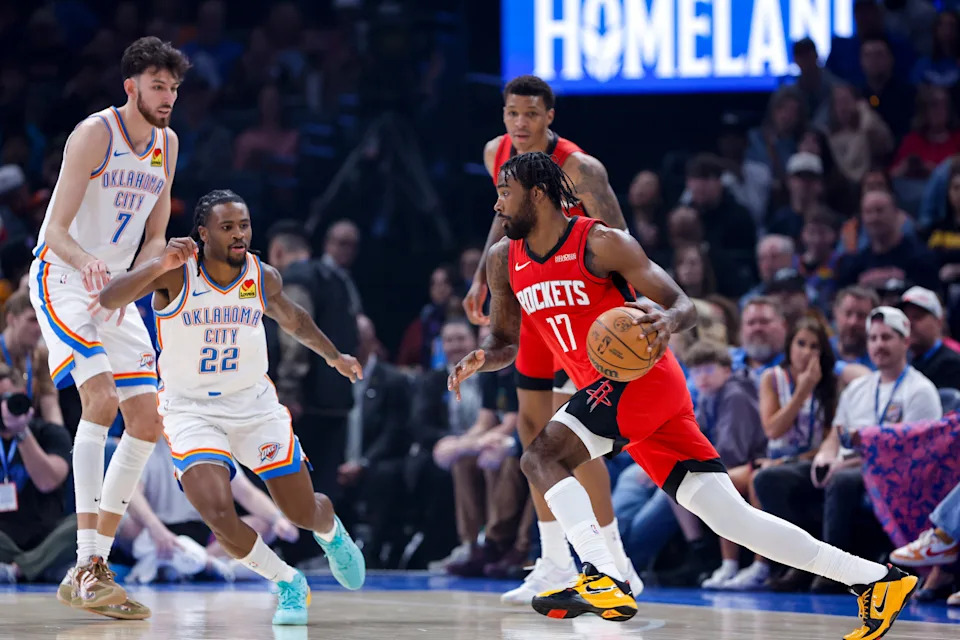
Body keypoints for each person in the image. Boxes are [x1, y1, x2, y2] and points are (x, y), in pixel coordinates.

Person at [448, 152, 916, 639]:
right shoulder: (504, 257)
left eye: (506, 192)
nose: (497, 204)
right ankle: (877, 580)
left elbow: (681, 303)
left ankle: (602, 574)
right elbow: (504, 340)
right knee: (732, 519)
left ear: (537, 195)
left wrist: (666, 321)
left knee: (540, 455)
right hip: (612, 395)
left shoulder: (601, 242)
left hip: (644, 380)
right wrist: (483, 358)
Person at [98, 189, 366, 625]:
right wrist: (157, 263)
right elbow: (110, 298)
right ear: (203, 234)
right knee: (218, 513)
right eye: (228, 227)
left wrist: (334, 356)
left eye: (243, 225)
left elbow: (294, 319)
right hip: (190, 410)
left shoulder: (262, 276)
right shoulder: (177, 276)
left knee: (300, 512)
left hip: (254, 406)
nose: (239, 234)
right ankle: (287, 582)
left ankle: (331, 532)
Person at [27, 36, 189, 619]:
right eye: (157, 86)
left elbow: (152, 234)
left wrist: (149, 272)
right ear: (131, 87)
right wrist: (89, 264)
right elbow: (53, 232)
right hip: (64, 279)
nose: (167, 97)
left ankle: (91, 566)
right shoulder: (95, 134)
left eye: (173, 87)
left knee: (147, 419)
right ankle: (88, 562)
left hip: (116, 290)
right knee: (98, 398)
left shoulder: (167, 146)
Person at [461, 75, 639, 603]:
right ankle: (555, 561)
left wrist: (631, 319)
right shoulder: (497, 153)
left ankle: (613, 559)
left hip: (582, 305)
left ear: (550, 117)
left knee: (575, 438)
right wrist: (481, 278)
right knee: (533, 430)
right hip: (533, 298)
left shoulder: (580, 168)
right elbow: (506, 219)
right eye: (512, 113)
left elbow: (622, 240)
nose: (520, 124)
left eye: (531, 115)